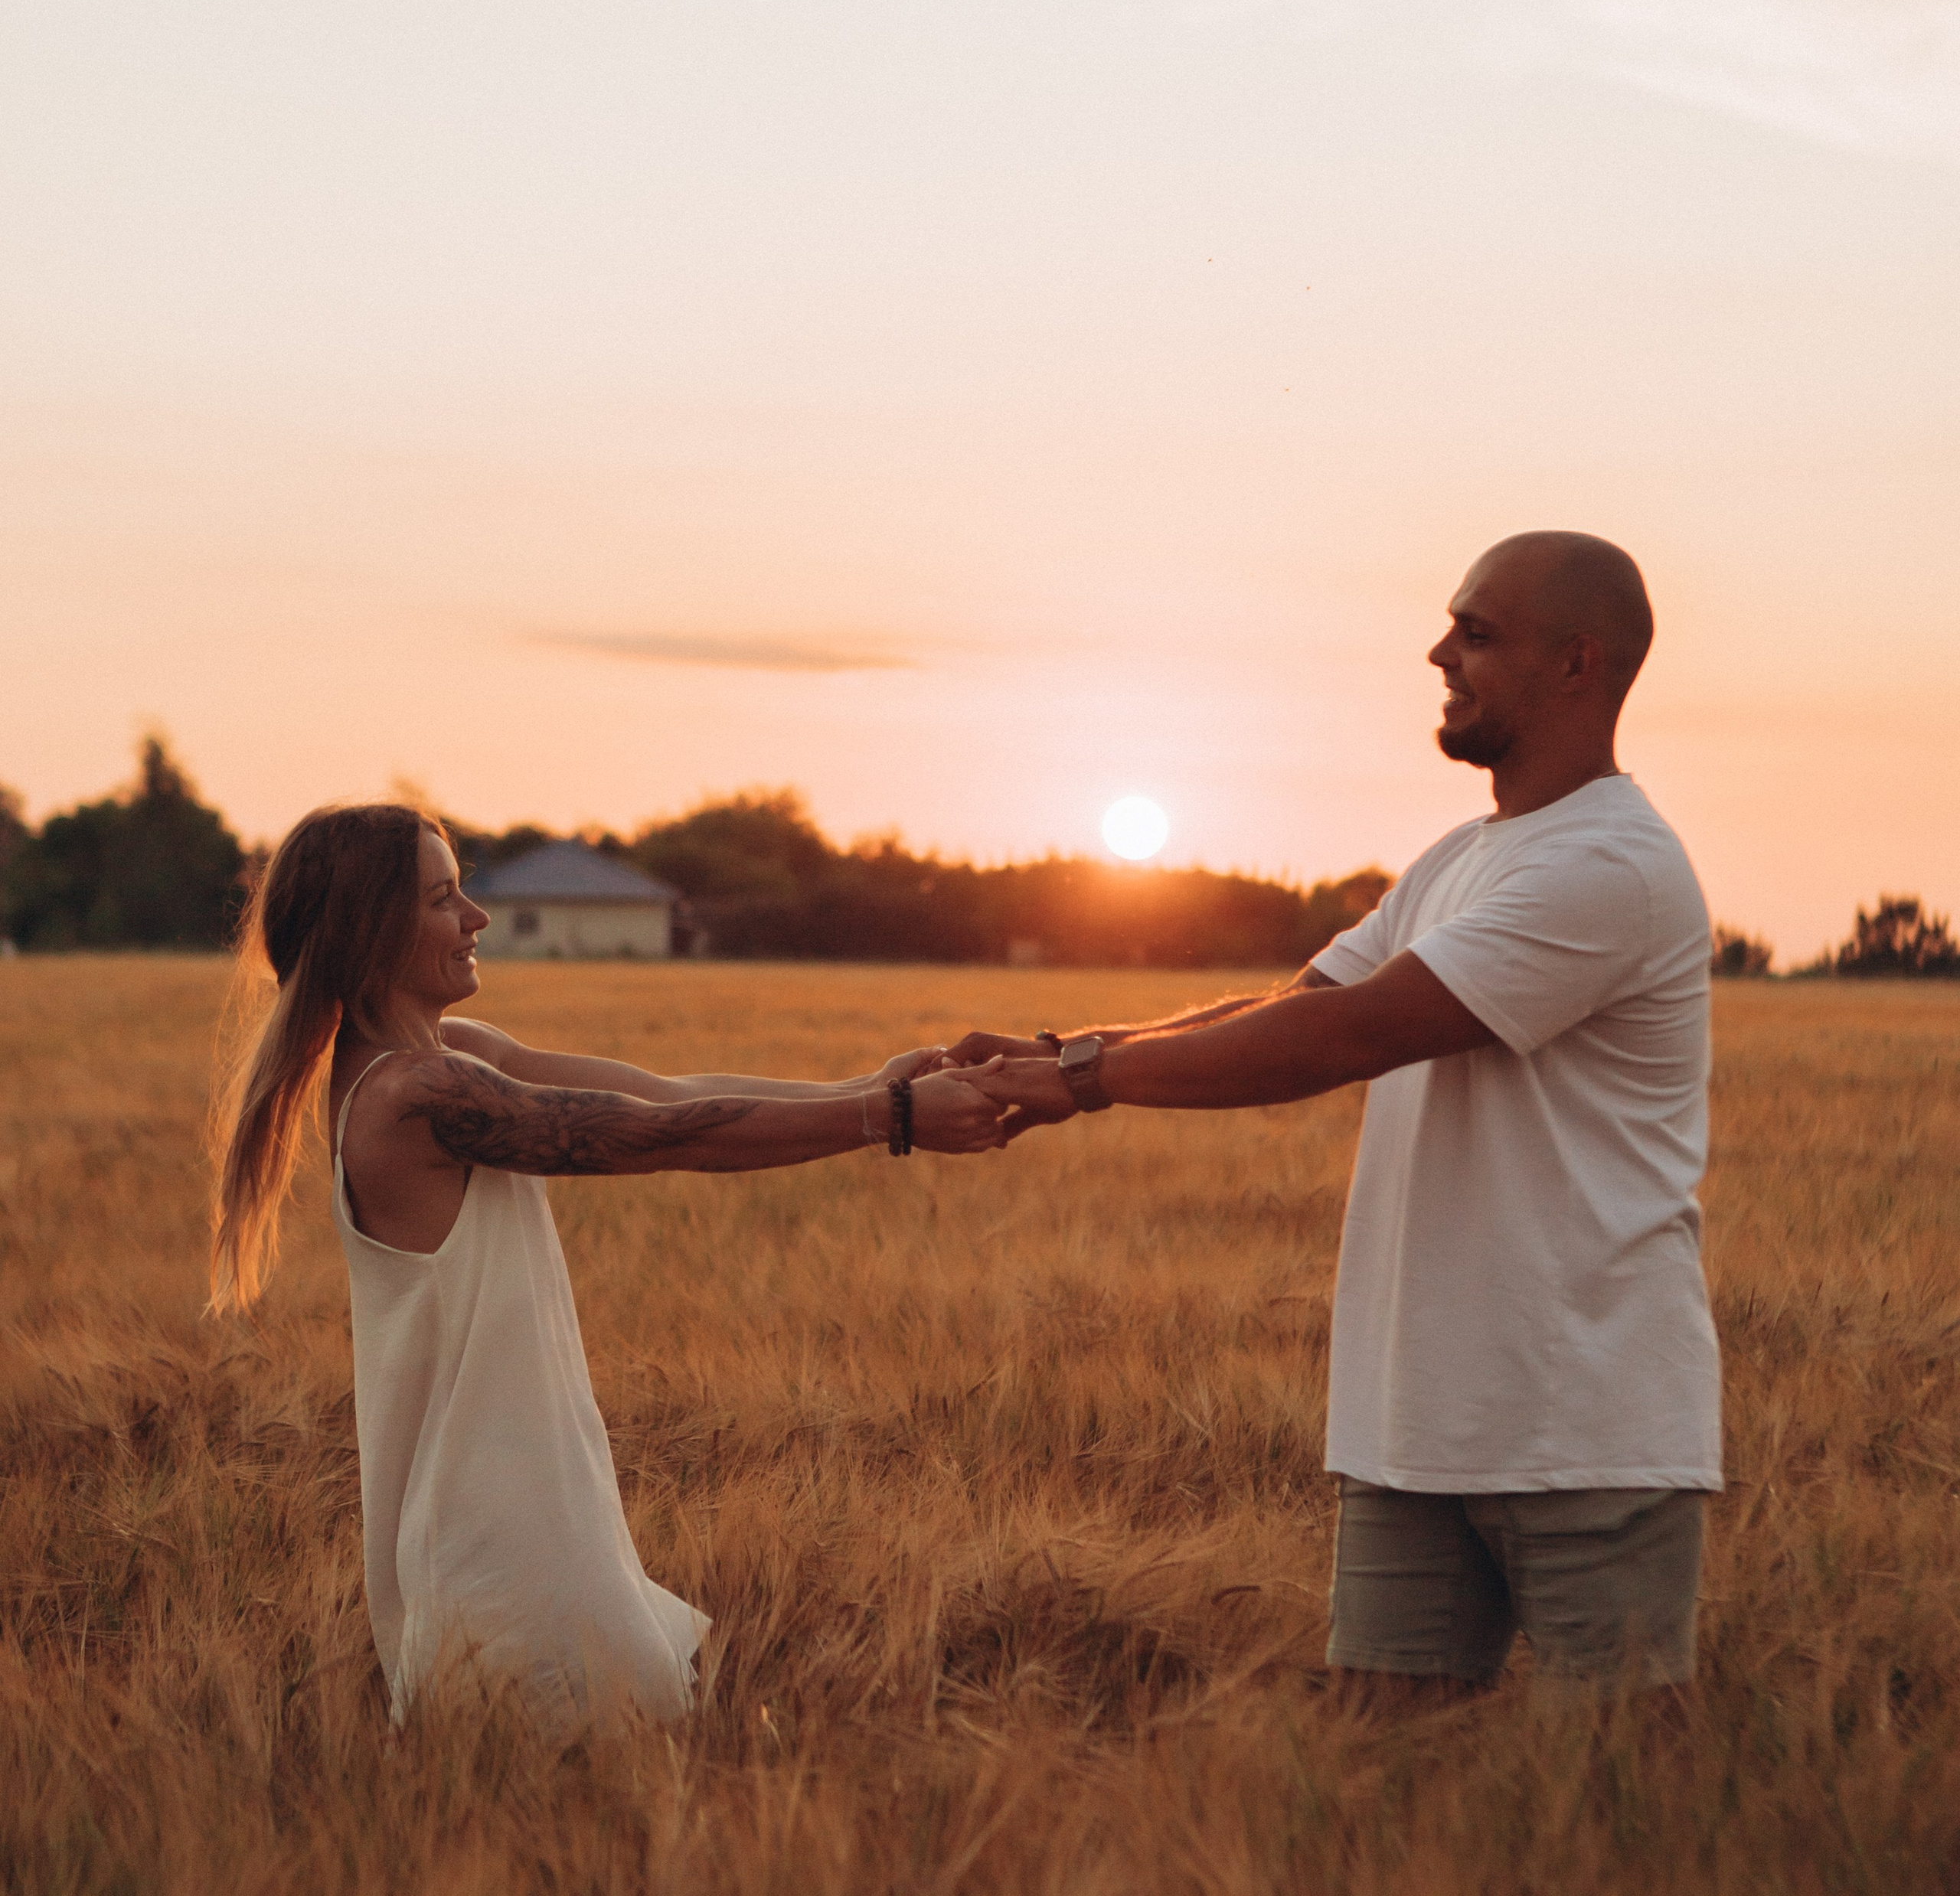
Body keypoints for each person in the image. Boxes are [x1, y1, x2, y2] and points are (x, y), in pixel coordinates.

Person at [959, 531, 1721, 1695]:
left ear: (1576, 663)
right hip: (1415, 1427)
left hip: (1587, 1433)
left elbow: (1349, 1036)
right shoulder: (1463, 857)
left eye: (1476, 632)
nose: (1438, 652)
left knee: (1622, 1801)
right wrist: (1072, 1055)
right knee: (1374, 1795)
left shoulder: (1610, 866)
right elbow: (1290, 1000)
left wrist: (1080, 1081)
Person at [210, 802, 1006, 1727]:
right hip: (499, 1545)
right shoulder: (417, 1093)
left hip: (537, 1516)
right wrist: (891, 1121)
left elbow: (670, 1093)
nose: (478, 917)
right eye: (443, 898)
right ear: (371, 927)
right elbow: (661, 1136)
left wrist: (876, 1089)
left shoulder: (451, 1056)